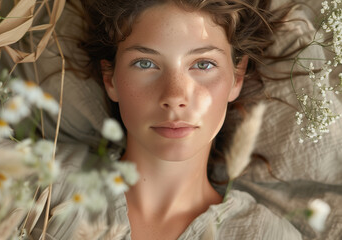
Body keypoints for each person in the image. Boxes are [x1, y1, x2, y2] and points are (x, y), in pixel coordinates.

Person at [32, 0, 303, 239]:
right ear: (110, 78)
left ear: (237, 77)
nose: (174, 96)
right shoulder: (38, 183)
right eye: (145, 63)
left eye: (203, 64)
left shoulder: (263, 234)